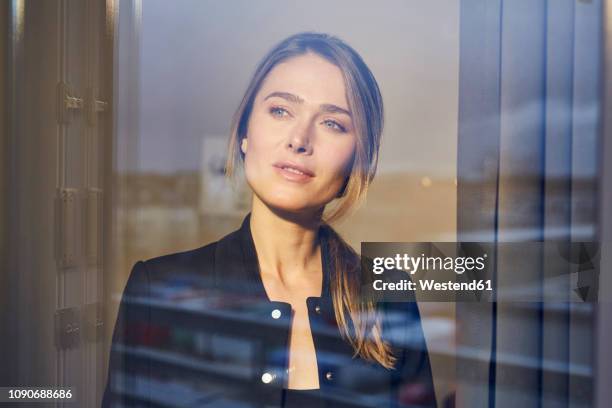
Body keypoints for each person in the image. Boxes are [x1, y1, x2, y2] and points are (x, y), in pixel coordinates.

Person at [102, 32, 436, 408]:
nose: (299, 139)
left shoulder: (388, 300)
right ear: (245, 133)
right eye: (280, 110)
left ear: (356, 161)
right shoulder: (157, 289)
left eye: (332, 123)